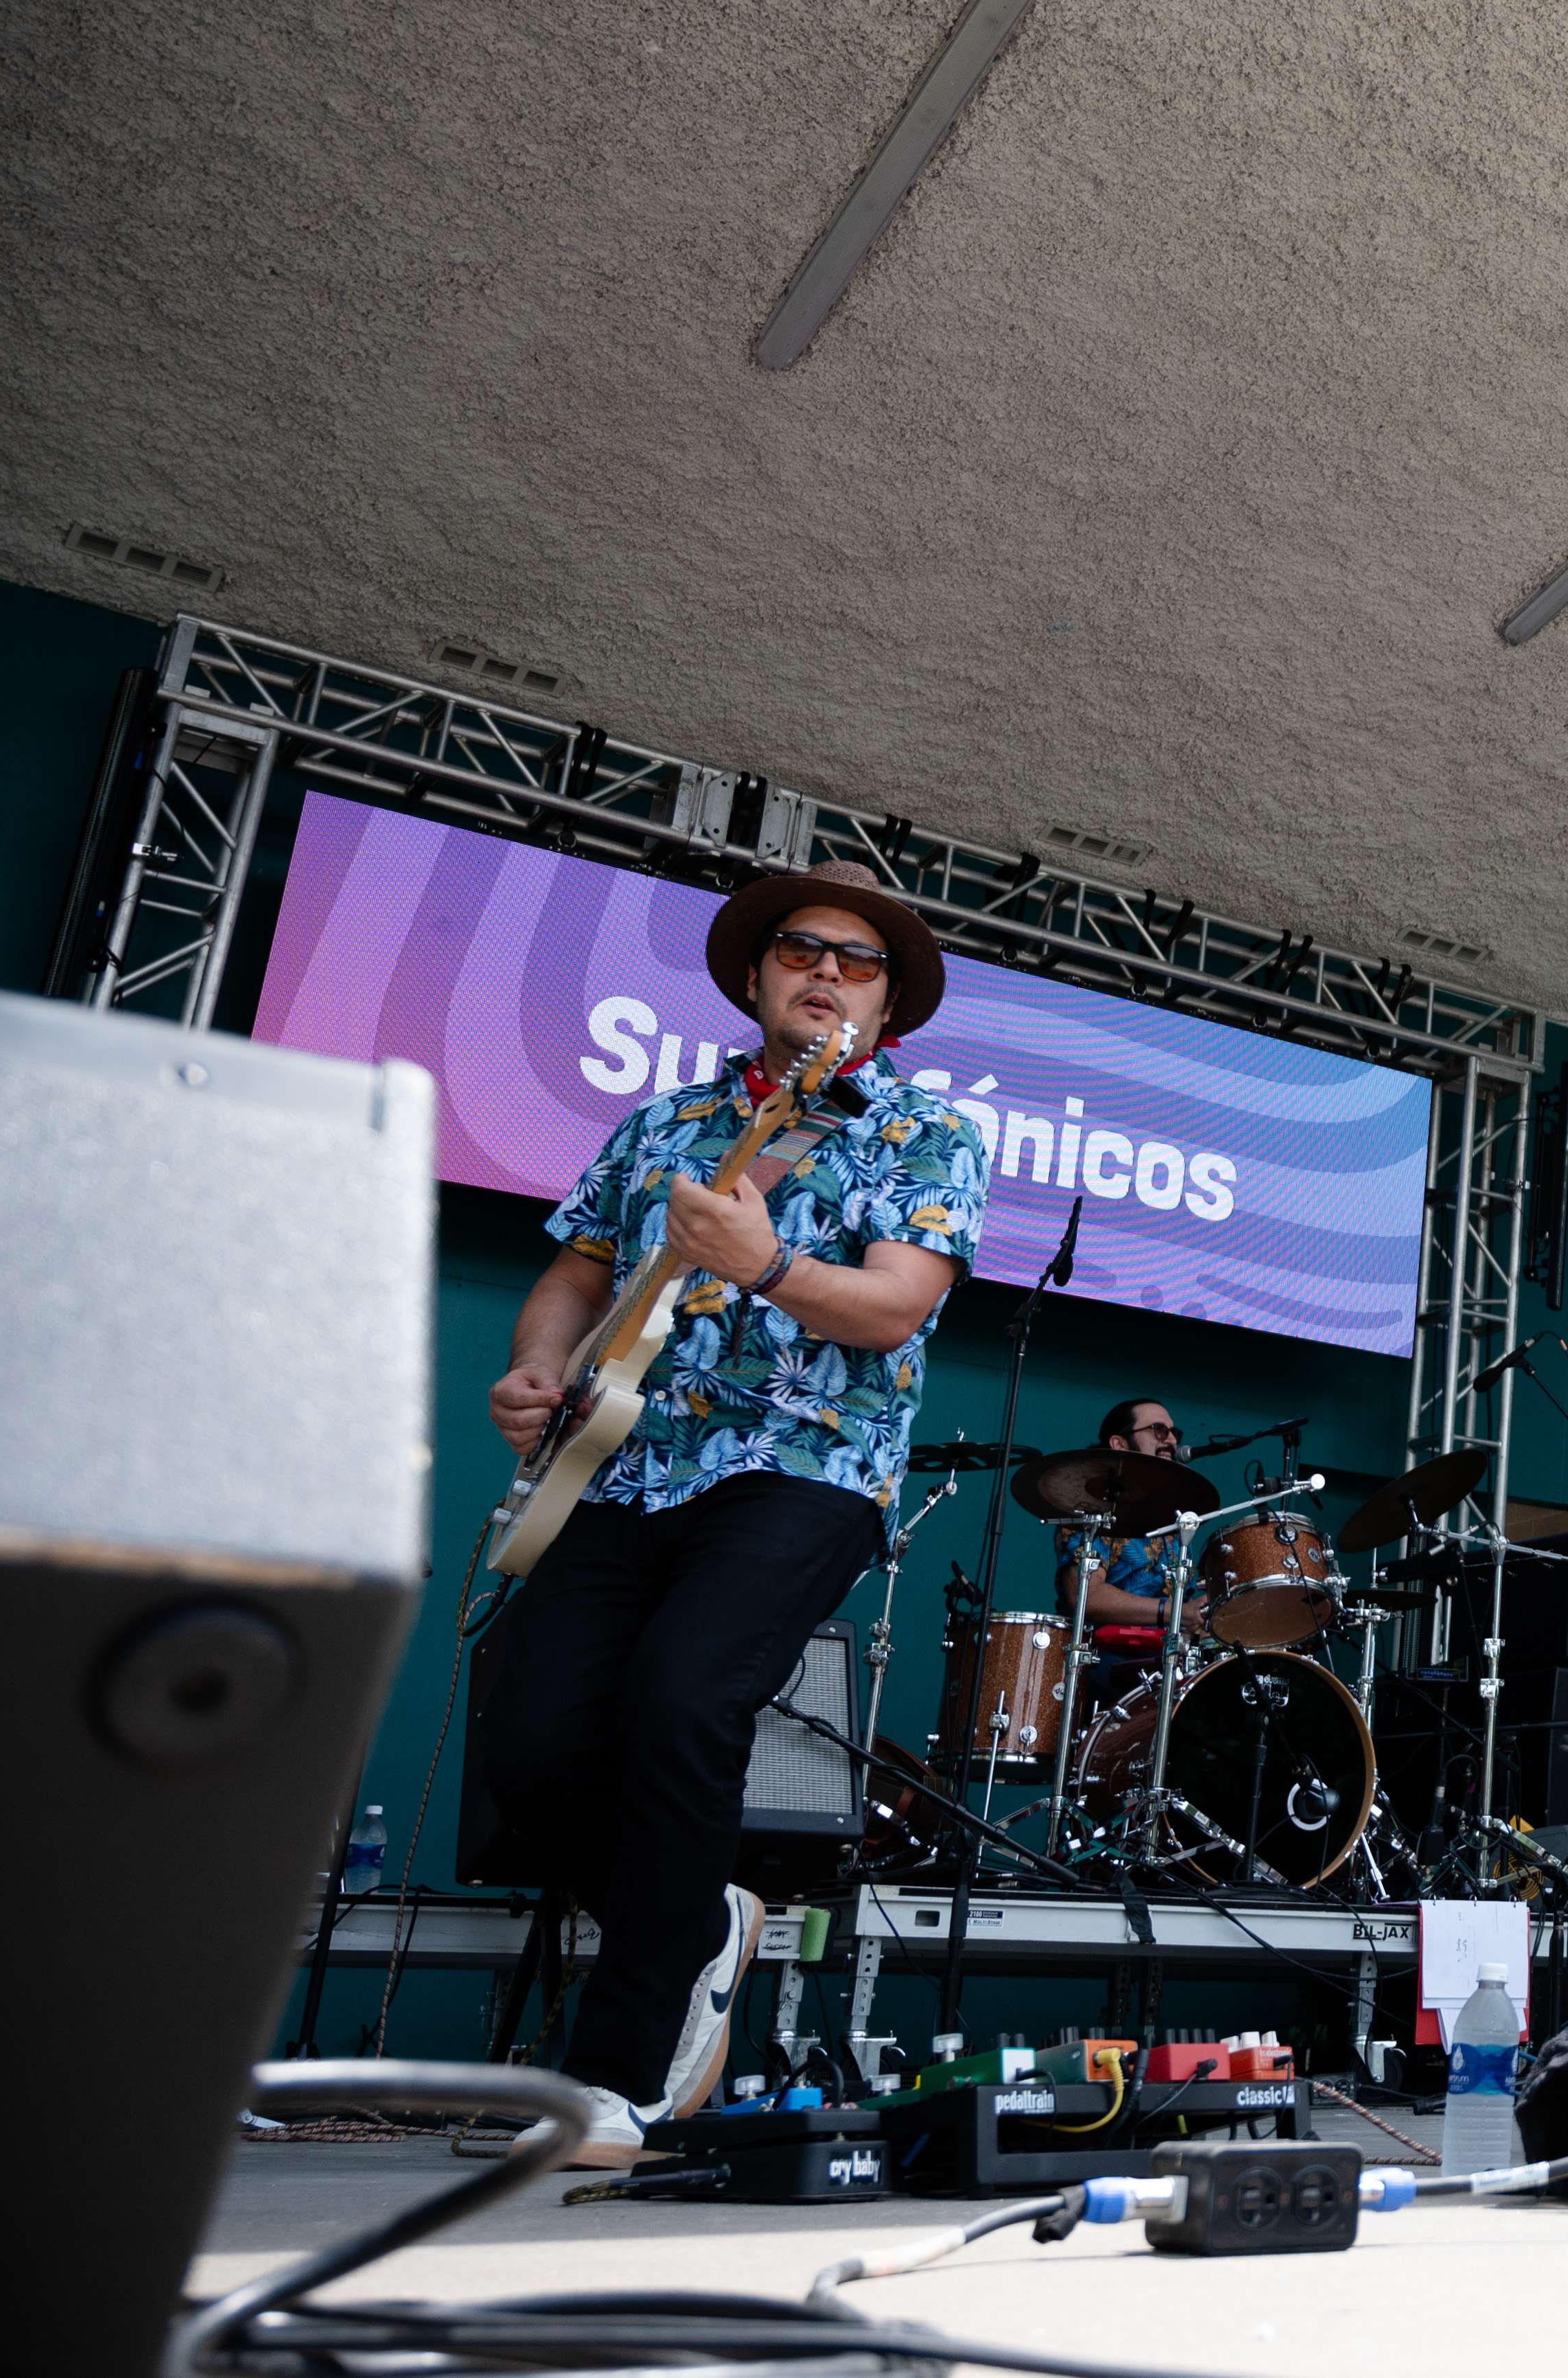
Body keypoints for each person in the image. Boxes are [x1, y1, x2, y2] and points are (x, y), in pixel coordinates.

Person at [480, 861, 986, 2166]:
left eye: (858, 962)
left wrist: (760, 1261)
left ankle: (622, 2070)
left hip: (810, 1458)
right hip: (630, 1456)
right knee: (531, 1738)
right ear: (758, 976)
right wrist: (542, 1369)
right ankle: (695, 1919)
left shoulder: (924, 1135)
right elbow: (579, 1265)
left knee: (682, 1695)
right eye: (802, 950)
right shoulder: (667, 1120)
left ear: (886, 1007)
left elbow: (891, 1308)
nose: (826, 971)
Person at [1072, 1397, 1202, 1640]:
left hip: (1169, 1659)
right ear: (1119, 1443)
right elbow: (1087, 1596)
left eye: (1175, 1432)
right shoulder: (1091, 1508)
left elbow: (1186, 1609)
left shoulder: (1175, 1516)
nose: (1172, 1440)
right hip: (1105, 1657)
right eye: (1159, 1430)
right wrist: (1171, 1612)